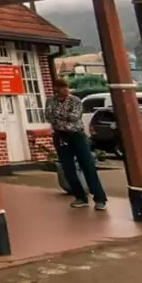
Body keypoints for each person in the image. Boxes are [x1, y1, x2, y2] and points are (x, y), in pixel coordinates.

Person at [45, 77, 107, 210]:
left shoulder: (75, 100)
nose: (65, 90)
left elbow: (75, 116)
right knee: (68, 168)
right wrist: (63, 116)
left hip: (77, 134)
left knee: (87, 165)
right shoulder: (50, 101)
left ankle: (99, 198)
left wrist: (59, 116)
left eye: (66, 87)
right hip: (61, 136)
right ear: (56, 88)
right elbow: (49, 117)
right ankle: (80, 197)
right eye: (62, 87)